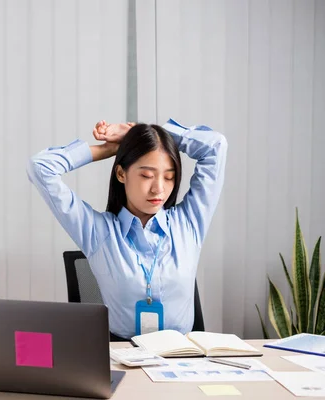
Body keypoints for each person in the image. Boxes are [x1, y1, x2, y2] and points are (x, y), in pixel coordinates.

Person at [27, 119, 227, 339]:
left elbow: (215, 145)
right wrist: (106, 150)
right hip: (122, 357)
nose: (159, 188)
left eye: (169, 177)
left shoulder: (189, 223)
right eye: (147, 176)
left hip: (180, 359)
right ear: (121, 174)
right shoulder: (98, 232)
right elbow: (40, 167)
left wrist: (145, 132)